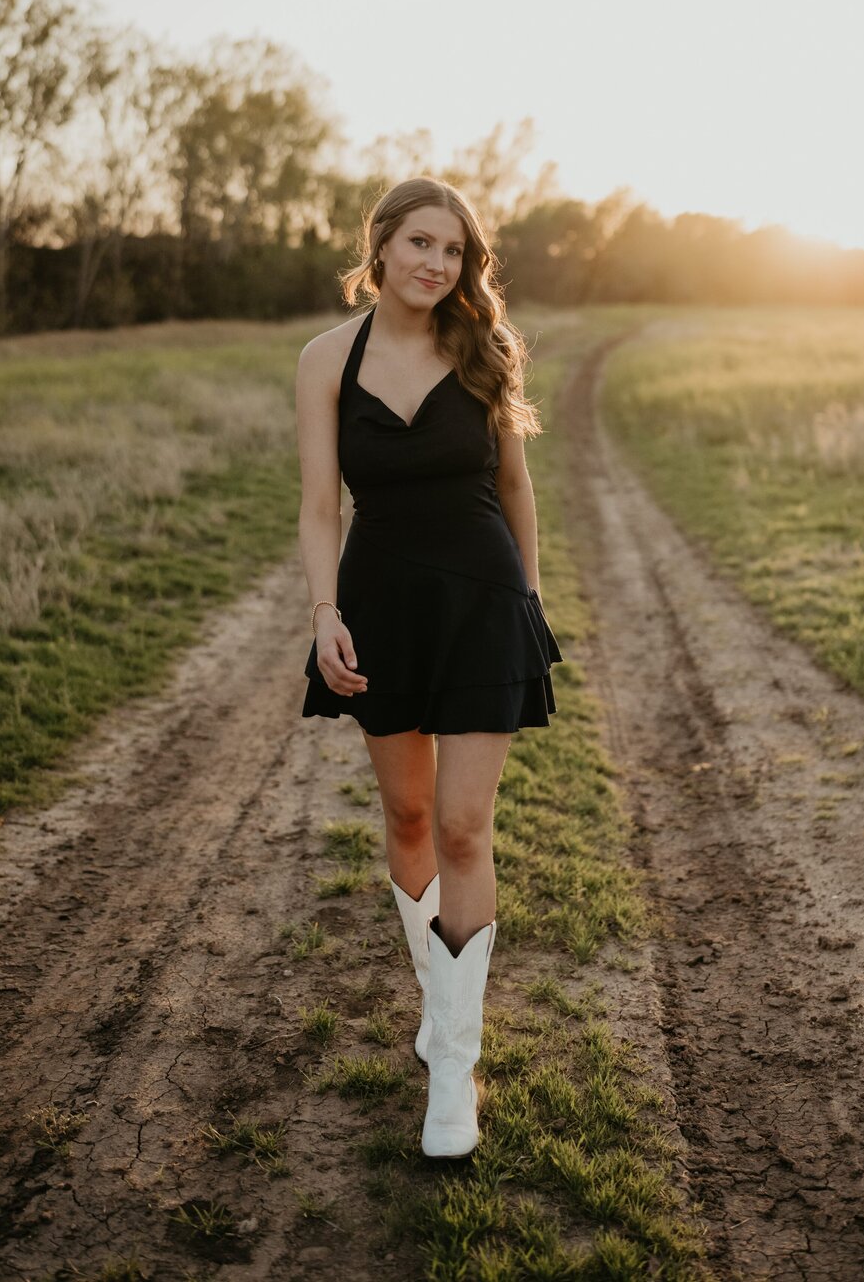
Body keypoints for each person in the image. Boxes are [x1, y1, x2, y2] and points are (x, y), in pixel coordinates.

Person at [296, 175, 563, 1158]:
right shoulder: (327, 359)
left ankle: (455, 1068)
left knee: (461, 825)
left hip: (483, 599)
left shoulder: (482, 350)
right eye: (418, 243)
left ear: (466, 264)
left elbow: (515, 484)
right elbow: (321, 505)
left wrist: (526, 603)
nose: (434, 264)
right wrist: (324, 612)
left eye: (451, 251)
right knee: (407, 818)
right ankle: (437, 999)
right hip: (382, 608)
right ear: (380, 248)